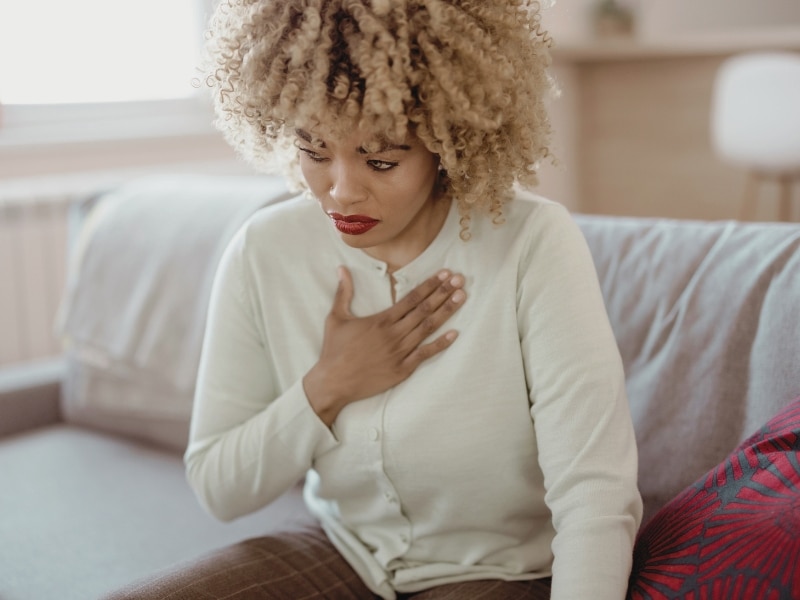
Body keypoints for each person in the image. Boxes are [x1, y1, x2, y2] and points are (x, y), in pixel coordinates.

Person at [109, 0, 642, 598]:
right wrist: (329, 385)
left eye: (381, 159)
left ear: (450, 143)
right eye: (314, 151)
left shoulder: (532, 242)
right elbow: (219, 486)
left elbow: (594, 491)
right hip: (344, 552)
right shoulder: (265, 250)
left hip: (494, 571)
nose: (339, 191)